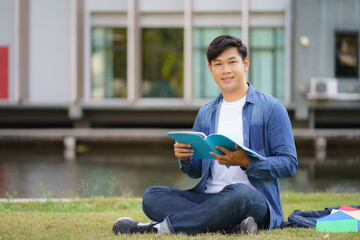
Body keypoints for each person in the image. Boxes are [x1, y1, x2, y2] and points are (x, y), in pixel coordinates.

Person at [112, 35, 298, 235]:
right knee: (152, 196)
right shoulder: (206, 112)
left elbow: (289, 164)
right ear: (210, 69)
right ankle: (230, 226)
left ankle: (157, 229)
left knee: (239, 192)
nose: (225, 70)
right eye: (218, 64)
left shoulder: (272, 108)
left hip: (252, 199)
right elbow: (196, 171)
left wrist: (247, 162)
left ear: (245, 64)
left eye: (231, 62)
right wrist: (185, 159)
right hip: (208, 197)